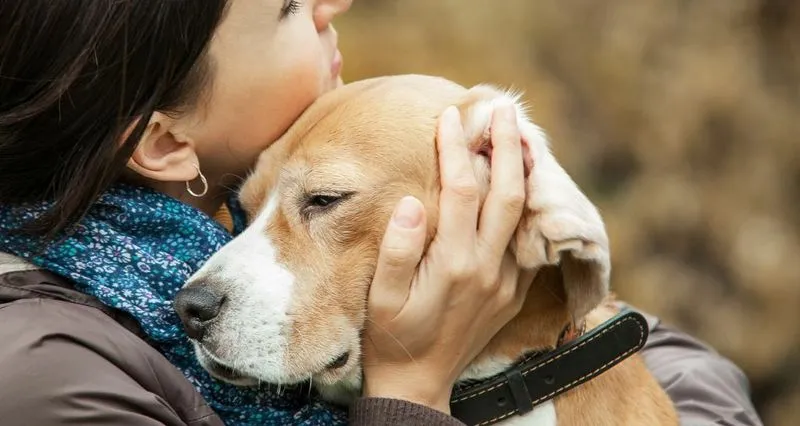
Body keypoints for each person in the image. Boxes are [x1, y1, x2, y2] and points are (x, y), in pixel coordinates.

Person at [0, 1, 762, 425]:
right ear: (166, 141)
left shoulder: (234, 204)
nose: (334, 3)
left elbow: (675, 365)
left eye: (320, 201)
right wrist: (411, 386)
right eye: (288, 8)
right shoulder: (44, 375)